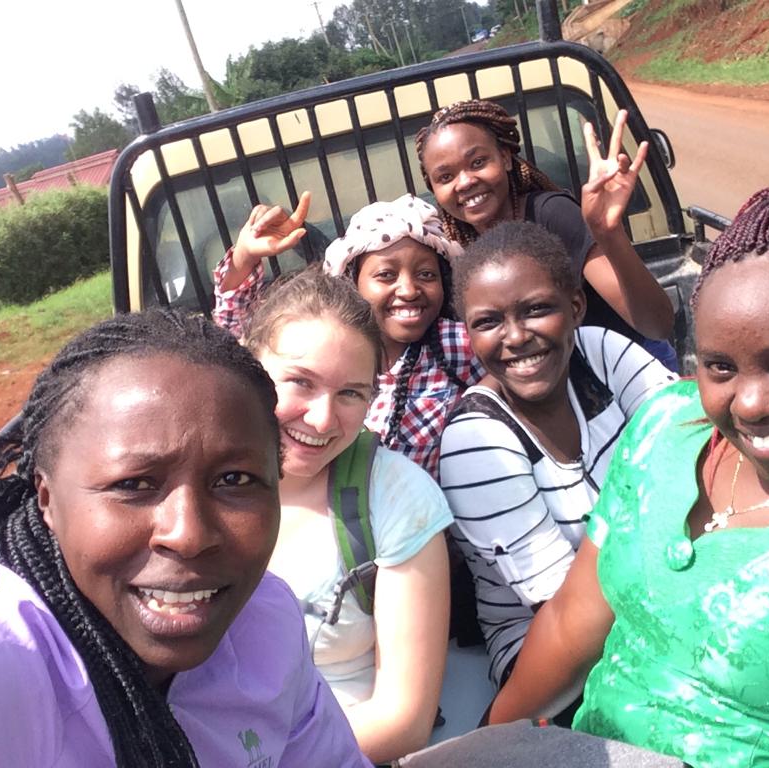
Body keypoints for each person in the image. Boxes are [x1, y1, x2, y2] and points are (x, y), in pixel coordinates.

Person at [488, 177, 769, 767]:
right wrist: (488, 741)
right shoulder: (666, 425)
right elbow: (571, 624)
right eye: (720, 366)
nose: (748, 404)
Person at [0, 310, 370, 767]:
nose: (188, 535)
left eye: (235, 481)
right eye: (133, 485)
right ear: (46, 497)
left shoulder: (265, 625)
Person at [438, 221, 674, 707]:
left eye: (537, 310)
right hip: (552, 660)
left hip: (667, 600)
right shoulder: (477, 441)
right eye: (488, 322)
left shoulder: (600, 354)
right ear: (469, 335)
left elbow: (692, 448)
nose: (516, 337)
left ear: (576, 307)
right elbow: (568, 613)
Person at [242, 267, 452, 764]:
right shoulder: (189, 483)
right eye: (299, 382)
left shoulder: (394, 496)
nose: (322, 419)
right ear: (248, 367)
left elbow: (403, 718)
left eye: (351, 393)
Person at [214, 193, 482, 477]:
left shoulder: (455, 344)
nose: (408, 289)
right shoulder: (326, 344)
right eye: (386, 275)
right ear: (353, 282)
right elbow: (237, 342)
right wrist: (245, 256)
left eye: (427, 275)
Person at [414, 99, 678, 370]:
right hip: (560, 390)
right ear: (433, 189)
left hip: (634, 365)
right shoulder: (454, 252)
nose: (465, 181)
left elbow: (656, 325)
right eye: (445, 177)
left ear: (505, 157)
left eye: (478, 162)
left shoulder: (552, 215)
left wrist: (610, 234)